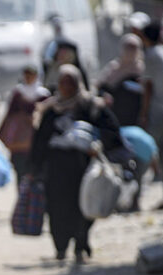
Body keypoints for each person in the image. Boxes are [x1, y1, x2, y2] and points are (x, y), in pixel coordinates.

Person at [30, 65, 125, 263]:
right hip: (56, 170)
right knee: (57, 210)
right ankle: (61, 247)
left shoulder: (91, 106)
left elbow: (112, 132)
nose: (66, 86)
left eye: (70, 82)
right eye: (62, 82)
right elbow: (39, 141)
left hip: (83, 169)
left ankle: (81, 246)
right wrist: (34, 168)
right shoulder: (50, 109)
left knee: (84, 207)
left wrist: (97, 144)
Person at [141, 23, 163, 210]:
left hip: (159, 110)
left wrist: (143, 114)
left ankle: (134, 195)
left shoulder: (151, 55)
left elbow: (148, 87)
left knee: (144, 149)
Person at [0, 64, 50, 181]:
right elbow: (9, 114)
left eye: (31, 75)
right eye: (26, 75)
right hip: (19, 142)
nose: (28, 78)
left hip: (37, 140)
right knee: (20, 171)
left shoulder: (43, 94)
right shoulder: (17, 93)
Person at [96, 34, 145, 128]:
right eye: (128, 47)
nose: (130, 51)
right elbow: (100, 86)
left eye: (133, 48)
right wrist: (105, 95)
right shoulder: (114, 68)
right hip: (117, 111)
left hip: (136, 112)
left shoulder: (142, 69)